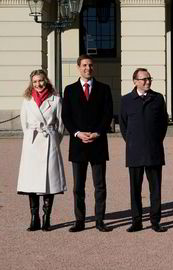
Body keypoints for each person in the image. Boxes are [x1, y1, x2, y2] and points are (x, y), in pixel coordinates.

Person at [62, 54, 113, 232]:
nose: (87, 68)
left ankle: (100, 221)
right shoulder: (69, 90)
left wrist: (98, 132)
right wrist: (77, 133)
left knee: (100, 186)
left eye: (90, 65)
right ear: (78, 67)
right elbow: (66, 116)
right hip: (78, 144)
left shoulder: (104, 89)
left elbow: (108, 114)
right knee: (78, 187)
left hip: (98, 142)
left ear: (94, 67)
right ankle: (80, 221)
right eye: (84, 65)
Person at [120, 68, 169, 233]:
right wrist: (133, 141)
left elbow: (163, 124)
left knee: (155, 189)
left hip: (154, 150)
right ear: (135, 81)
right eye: (143, 79)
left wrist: (155, 140)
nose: (147, 82)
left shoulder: (158, 98)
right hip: (134, 151)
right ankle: (137, 221)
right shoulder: (126, 100)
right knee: (135, 189)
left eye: (149, 79)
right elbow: (124, 125)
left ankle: (155, 221)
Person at [17, 69, 67, 232]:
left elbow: (61, 124)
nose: (38, 84)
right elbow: (24, 124)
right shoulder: (27, 100)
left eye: (41, 81)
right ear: (31, 83)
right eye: (35, 82)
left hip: (49, 140)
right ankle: (34, 217)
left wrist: (53, 139)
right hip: (32, 142)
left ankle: (47, 218)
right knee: (31, 181)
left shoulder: (56, 99)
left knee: (49, 180)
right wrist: (31, 137)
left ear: (46, 81)